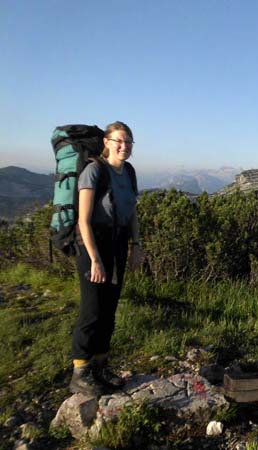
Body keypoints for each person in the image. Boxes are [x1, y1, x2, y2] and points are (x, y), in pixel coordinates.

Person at [69, 121, 142, 396]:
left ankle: (100, 366)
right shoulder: (94, 171)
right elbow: (83, 221)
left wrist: (136, 244)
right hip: (93, 245)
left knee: (110, 307)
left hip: (118, 243)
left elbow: (132, 211)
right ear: (107, 143)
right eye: (119, 141)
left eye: (129, 141)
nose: (124, 146)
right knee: (92, 309)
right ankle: (80, 371)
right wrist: (95, 259)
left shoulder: (129, 172)